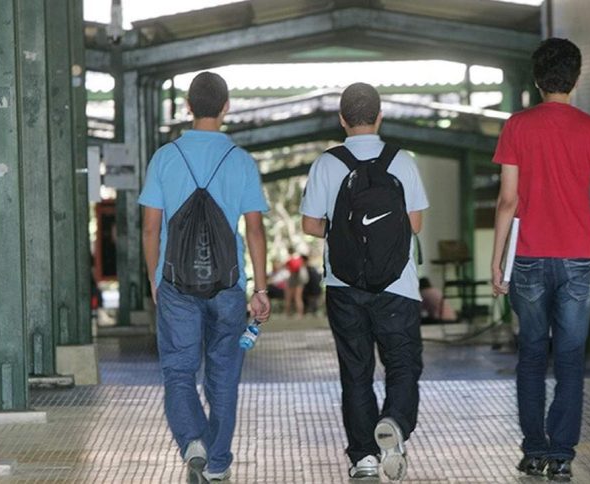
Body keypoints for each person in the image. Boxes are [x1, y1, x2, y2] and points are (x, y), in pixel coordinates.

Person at [490, 38, 590, 482]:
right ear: (578, 78)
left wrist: (498, 260)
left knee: (530, 355)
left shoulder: (518, 126)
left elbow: (508, 200)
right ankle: (561, 453)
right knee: (569, 359)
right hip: (577, 259)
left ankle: (533, 450)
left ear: (536, 79)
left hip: (526, 257)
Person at [139, 71, 271, 483]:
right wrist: (261, 288)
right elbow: (254, 229)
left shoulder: (165, 157)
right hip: (228, 285)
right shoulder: (240, 160)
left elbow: (149, 228)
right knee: (224, 375)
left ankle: (193, 440)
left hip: (176, 284)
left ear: (188, 108)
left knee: (179, 372)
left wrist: (154, 278)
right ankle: (217, 462)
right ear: (227, 107)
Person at [301, 82, 428, 481]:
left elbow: (309, 224)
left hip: (344, 286)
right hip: (398, 286)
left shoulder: (327, 162)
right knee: (402, 364)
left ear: (342, 119)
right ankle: (394, 422)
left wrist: (346, 236)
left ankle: (364, 457)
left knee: (355, 371)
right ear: (380, 116)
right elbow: (416, 223)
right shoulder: (401, 160)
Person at [284, 247, 307, 317]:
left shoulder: (289, 260)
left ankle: (287, 313)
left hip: (293, 278)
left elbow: (287, 268)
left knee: (289, 297)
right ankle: (300, 314)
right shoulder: (300, 259)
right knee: (298, 297)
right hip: (299, 279)